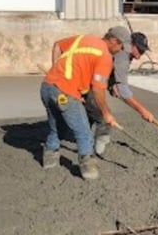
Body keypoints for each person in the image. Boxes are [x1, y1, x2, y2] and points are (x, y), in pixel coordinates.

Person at [41, 32, 124, 180]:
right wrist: (106, 113)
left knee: (57, 126)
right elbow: (98, 89)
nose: (120, 51)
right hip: (65, 93)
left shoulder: (84, 39)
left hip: (47, 87)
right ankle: (88, 169)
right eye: (121, 47)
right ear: (113, 41)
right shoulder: (105, 56)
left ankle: (50, 159)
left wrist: (57, 70)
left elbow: (57, 45)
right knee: (83, 131)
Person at [83, 26, 157, 155]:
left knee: (90, 111)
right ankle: (92, 144)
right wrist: (142, 110)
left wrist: (112, 84)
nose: (141, 54)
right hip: (86, 81)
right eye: (139, 49)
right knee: (102, 113)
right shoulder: (123, 54)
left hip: (91, 80)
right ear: (130, 45)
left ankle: (86, 141)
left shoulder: (125, 55)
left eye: (143, 51)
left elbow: (111, 68)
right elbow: (123, 90)